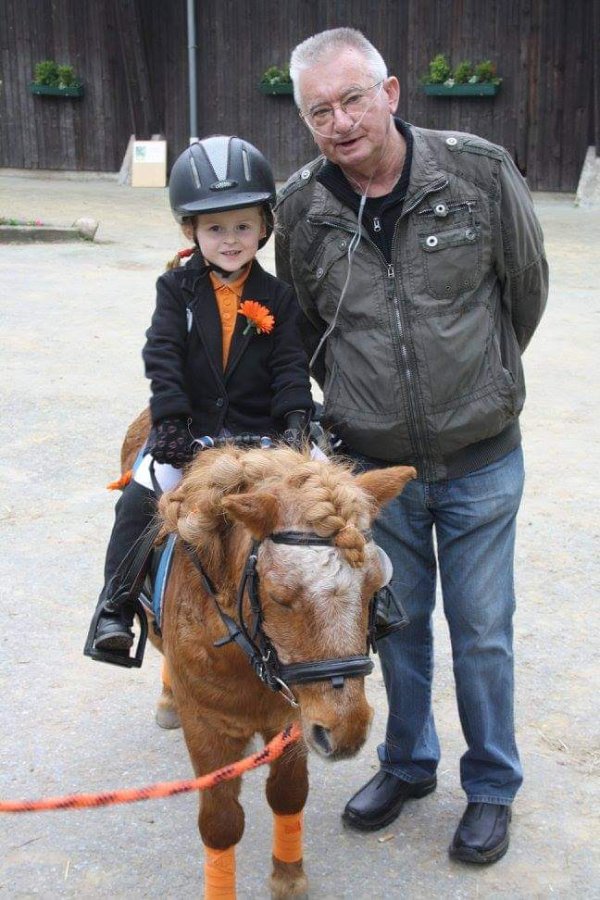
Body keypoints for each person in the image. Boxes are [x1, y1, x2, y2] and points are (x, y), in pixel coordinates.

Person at [275, 27, 548, 865]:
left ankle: (492, 784)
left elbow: (525, 289)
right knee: (394, 625)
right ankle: (408, 762)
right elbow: (305, 328)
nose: (341, 122)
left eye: (353, 99)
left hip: (480, 460)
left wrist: (476, 386)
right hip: (374, 473)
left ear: (390, 93)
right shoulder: (301, 210)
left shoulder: (477, 172)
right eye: (320, 110)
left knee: (483, 630)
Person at [87, 135, 313, 661]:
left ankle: (377, 600)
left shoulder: (279, 296)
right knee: (138, 500)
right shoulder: (176, 290)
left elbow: (290, 366)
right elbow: (163, 357)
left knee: (333, 490)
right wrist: (170, 422)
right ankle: (115, 608)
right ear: (191, 230)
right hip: (191, 432)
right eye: (215, 228)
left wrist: (296, 418)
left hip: (262, 431)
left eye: (243, 226)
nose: (230, 240)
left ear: (264, 226)